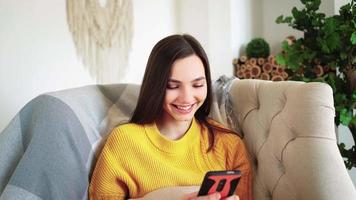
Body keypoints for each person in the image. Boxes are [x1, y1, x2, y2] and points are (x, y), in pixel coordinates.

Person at [89, 34, 252, 200]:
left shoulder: (228, 145)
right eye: (172, 86)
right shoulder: (124, 142)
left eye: (198, 85)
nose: (187, 98)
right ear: (156, 87)